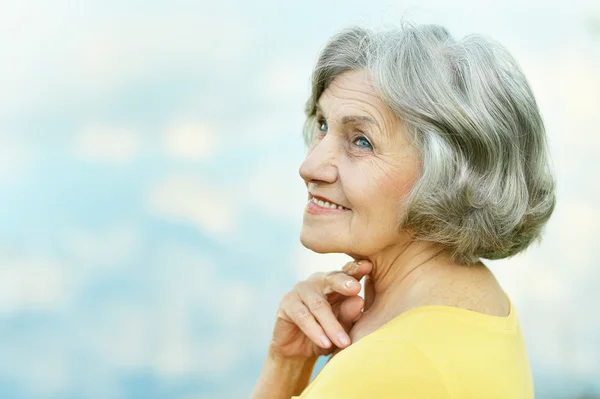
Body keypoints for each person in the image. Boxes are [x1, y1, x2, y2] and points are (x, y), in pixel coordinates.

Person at [251, 21, 555, 399]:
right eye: (323, 125)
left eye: (361, 141)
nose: (309, 167)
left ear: (448, 174)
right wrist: (288, 363)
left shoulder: (385, 369)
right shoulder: (481, 304)